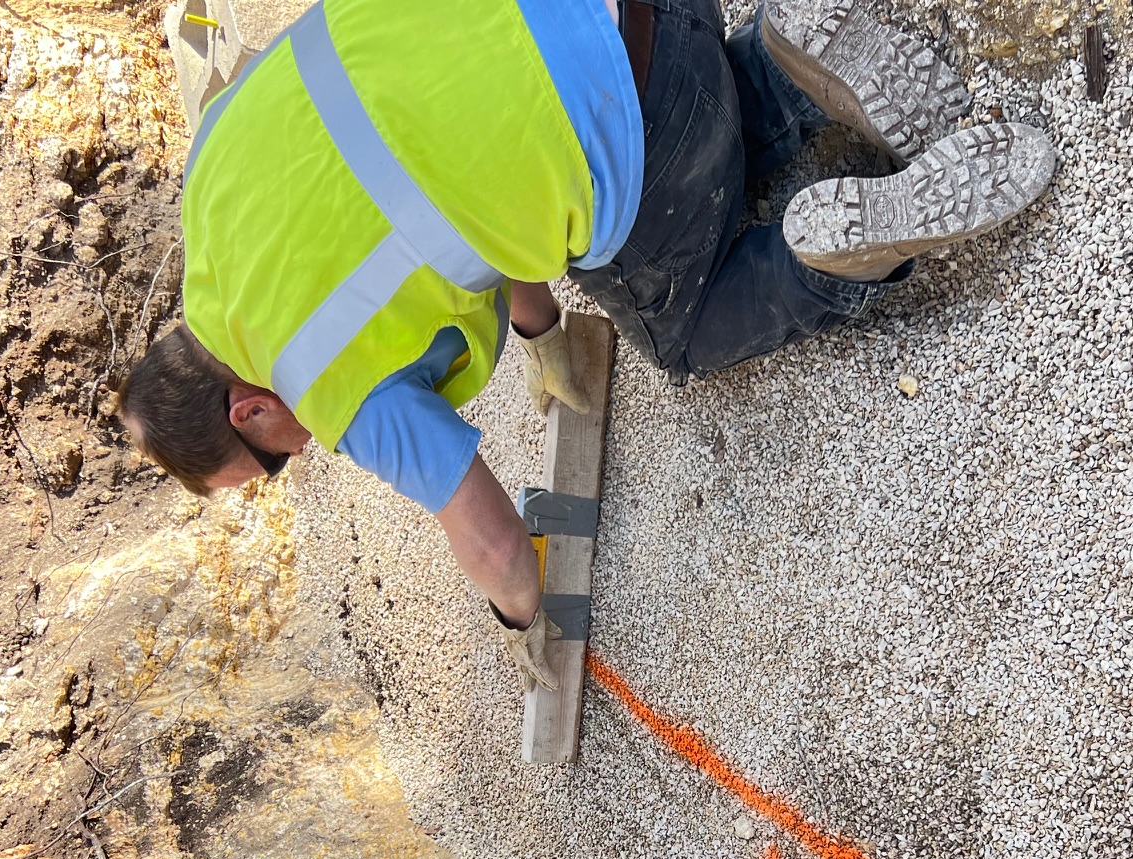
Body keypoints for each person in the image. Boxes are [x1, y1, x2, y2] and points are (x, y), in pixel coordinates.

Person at [117, 0, 1055, 690]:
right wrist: (539, 333)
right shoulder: (213, 165)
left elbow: (492, 540)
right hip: (649, 15)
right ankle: (770, 63)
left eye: (270, 463)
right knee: (599, 136)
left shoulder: (318, 378)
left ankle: (826, 257)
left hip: (643, 131)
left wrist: (523, 623)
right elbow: (426, 176)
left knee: (680, 329)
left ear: (249, 410)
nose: (298, 454)